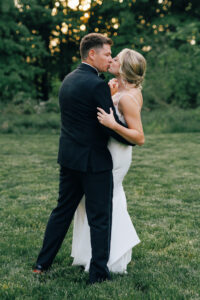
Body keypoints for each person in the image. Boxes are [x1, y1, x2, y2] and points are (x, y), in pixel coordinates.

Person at [33, 33, 134, 284]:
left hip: (69, 159)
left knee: (62, 212)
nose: (110, 58)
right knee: (100, 217)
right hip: (94, 163)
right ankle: (98, 273)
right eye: (107, 54)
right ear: (92, 54)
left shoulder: (68, 80)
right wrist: (132, 137)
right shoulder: (97, 84)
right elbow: (107, 125)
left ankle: (41, 263)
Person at [71, 48, 146, 273]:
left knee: (105, 201)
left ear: (123, 69)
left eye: (115, 59)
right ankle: (91, 254)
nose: (111, 61)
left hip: (115, 155)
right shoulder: (120, 90)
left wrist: (113, 124)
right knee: (95, 201)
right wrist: (111, 93)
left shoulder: (129, 98)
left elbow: (140, 137)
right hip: (105, 152)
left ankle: (112, 258)